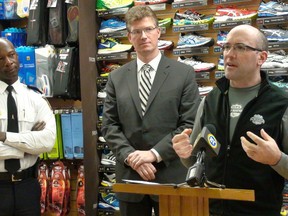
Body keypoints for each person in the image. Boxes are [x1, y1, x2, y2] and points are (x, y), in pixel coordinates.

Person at [172, 24, 288, 216]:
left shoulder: (281, 104)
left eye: (240, 47)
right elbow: (196, 161)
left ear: (262, 57)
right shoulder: (211, 99)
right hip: (210, 210)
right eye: (227, 47)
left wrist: (276, 159)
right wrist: (185, 154)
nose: (229, 54)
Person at [101, 5, 200, 216]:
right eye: (136, 31)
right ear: (129, 36)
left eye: (148, 29)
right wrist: (131, 157)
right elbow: (109, 125)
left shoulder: (183, 73)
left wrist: (154, 154)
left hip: (171, 177)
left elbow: (189, 124)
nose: (143, 36)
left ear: (158, 32)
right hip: (131, 177)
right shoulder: (116, 77)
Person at [0, 38, 56, 215]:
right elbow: (37, 145)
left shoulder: (36, 98)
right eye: (0, 59)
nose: (8, 62)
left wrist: (5, 137)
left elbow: (47, 142)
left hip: (28, 187)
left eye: (11, 55)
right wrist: (28, 147)